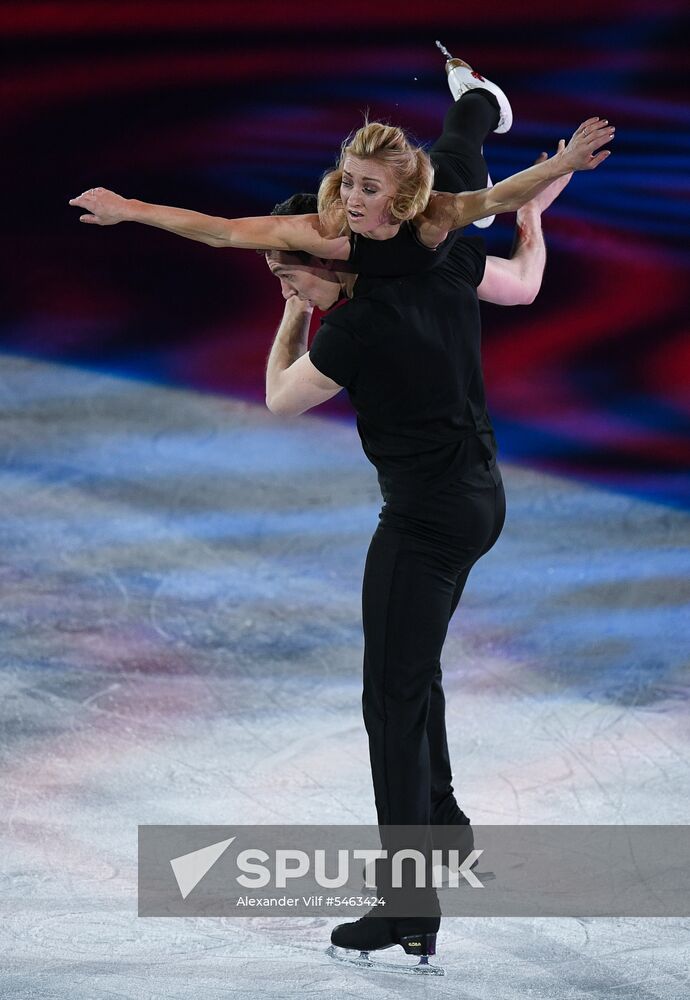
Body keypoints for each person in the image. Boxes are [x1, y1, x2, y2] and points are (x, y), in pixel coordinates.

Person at [260, 106, 591, 974]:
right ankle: (442, 823)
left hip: (426, 518)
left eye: (294, 277)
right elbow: (519, 274)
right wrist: (529, 206)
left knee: (389, 702)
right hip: (483, 501)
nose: (291, 289)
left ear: (331, 262)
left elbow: (280, 399)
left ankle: (411, 901)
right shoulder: (441, 255)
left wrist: (295, 321)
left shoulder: (358, 328)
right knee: (413, 672)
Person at [68, 51, 613, 274]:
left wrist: (562, 162)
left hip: (454, 179)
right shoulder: (328, 230)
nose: (351, 197)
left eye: (368, 190)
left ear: (398, 198)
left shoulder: (431, 215)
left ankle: (475, 89)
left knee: (464, 136)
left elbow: (498, 198)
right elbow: (225, 232)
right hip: (426, 199)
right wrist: (130, 208)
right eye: (349, 181)